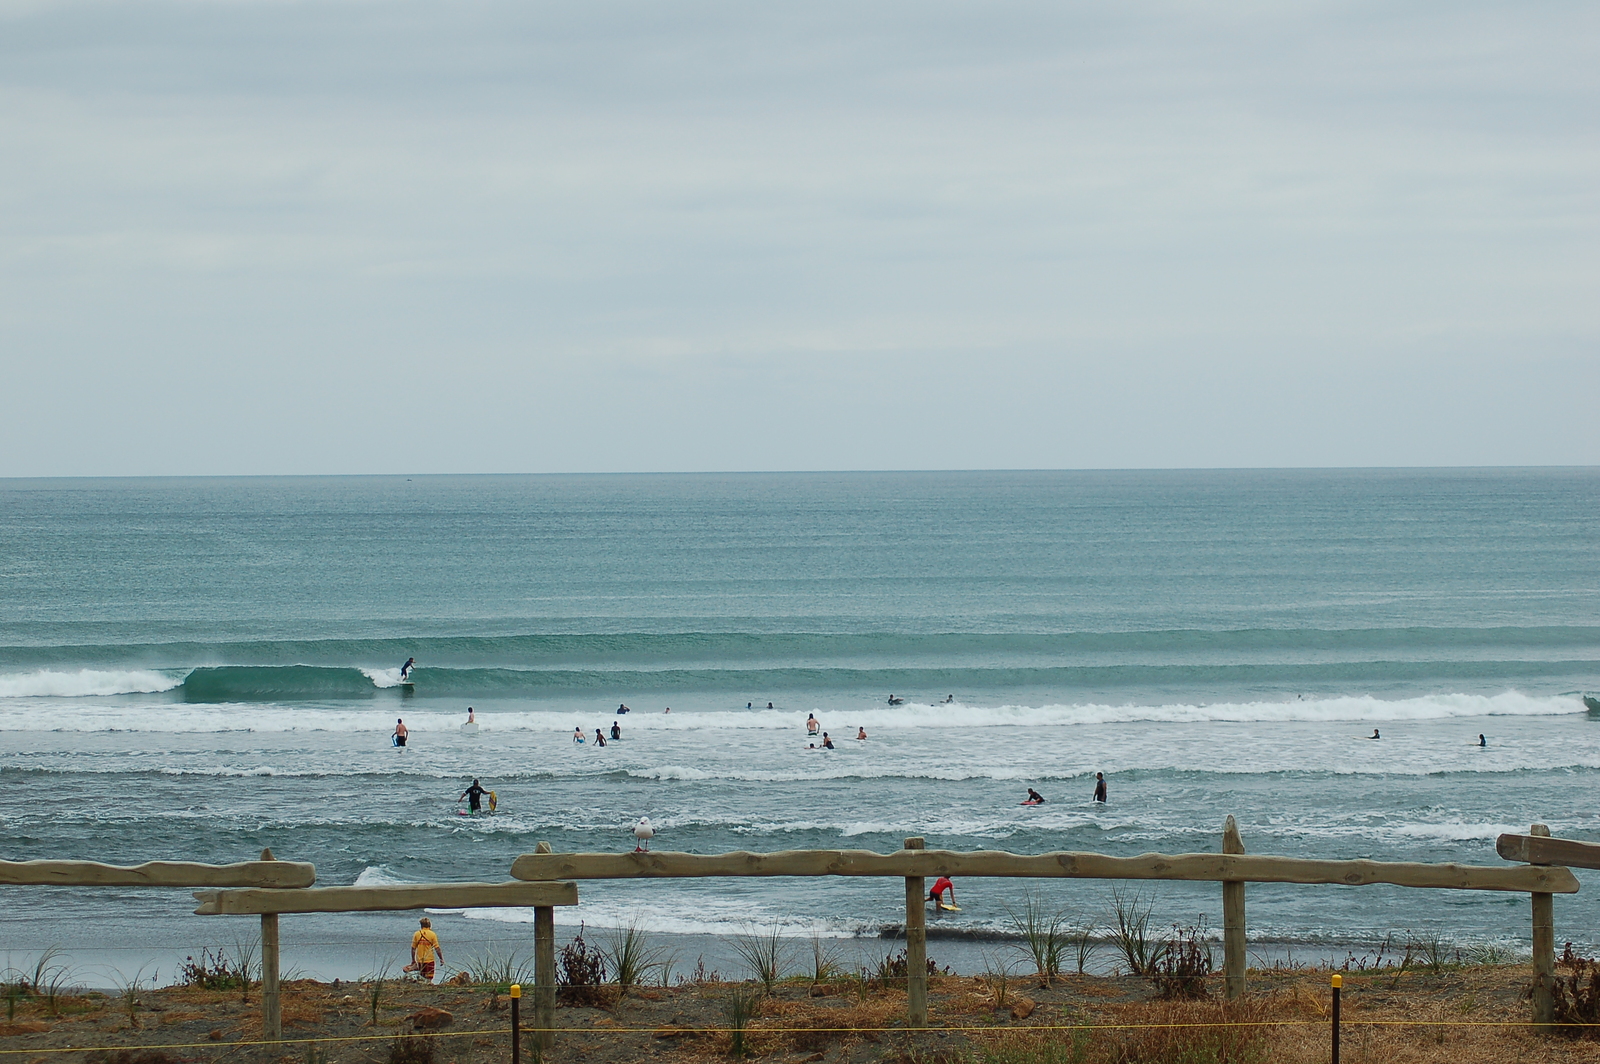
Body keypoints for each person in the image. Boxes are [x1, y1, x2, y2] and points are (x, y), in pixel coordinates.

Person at [410, 917, 443, 982]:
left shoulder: (417, 934)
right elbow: (437, 948)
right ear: (429, 925)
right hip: (429, 960)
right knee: (429, 979)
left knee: (422, 978)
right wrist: (441, 959)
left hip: (420, 960)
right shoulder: (432, 934)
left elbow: (413, 949)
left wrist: (413, 960)